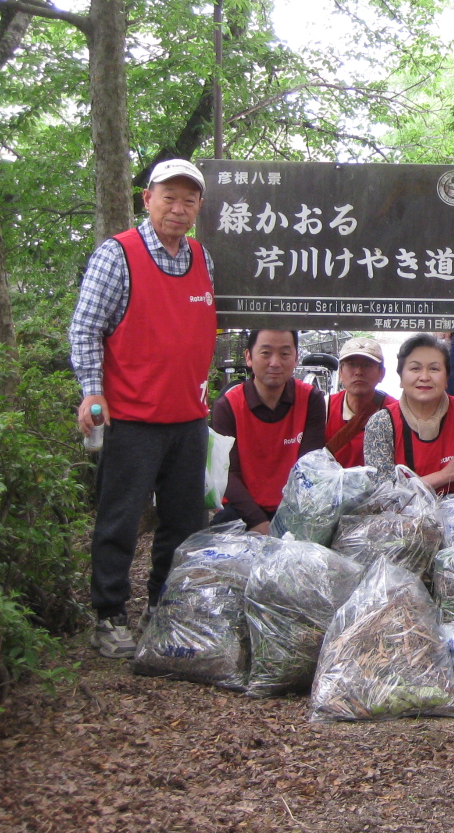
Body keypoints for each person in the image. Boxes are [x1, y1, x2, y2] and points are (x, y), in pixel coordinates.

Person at [69, 158, 218, 659]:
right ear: (147, 198)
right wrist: (92, 390)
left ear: (199, 206)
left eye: (188, 200)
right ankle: (108, 616)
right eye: (168, 197)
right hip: (131, 418)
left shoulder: (201, 256)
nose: (178, 209)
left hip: (188, 417)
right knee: (120, 520)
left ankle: (163, 609)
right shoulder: (119, 254)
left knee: (182, 523)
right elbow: (86, 327)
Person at [211, 328, 328, 531]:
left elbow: (310, 467)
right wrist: (258, 522)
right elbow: (227, 473)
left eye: (284, 354)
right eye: (266, 353)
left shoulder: (311, 399)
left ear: (295, 358)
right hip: (242, 510)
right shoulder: (228, 405)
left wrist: (285, 523)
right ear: (249, 357)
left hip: (295, 508)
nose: (275, 363)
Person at [364, 333, 454, 494]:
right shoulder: (381, 423)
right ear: (401, 378)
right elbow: (383, 491)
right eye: (415, 368)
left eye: (434, 368)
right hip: (404, 516)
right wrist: (445, 475)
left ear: (447, 378)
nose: (424, 377)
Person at [326, 336, 392, 469]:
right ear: (340, 373)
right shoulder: (325, 408)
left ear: (382, 373)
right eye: (351, 364)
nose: (359, 372)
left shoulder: (395, 411)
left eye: (367, 365)